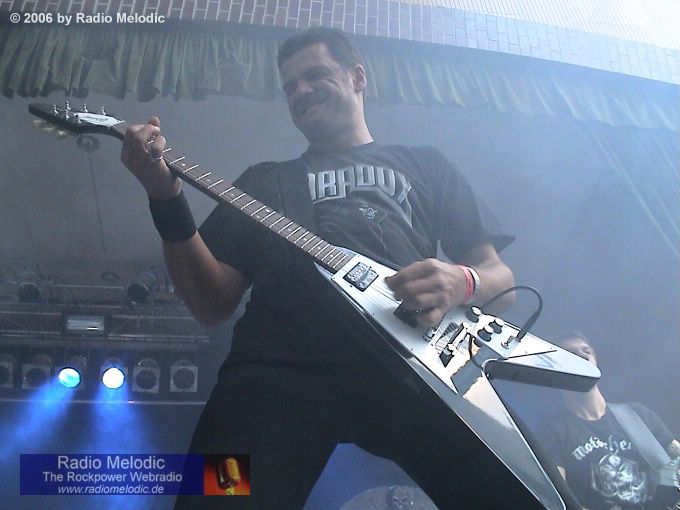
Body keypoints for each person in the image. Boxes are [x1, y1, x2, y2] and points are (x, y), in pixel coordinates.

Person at [121, 27, 521, 509]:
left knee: (514, 492)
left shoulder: (425, 164)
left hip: (414, 364)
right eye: (290, 86)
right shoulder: (265, 181)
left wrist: (462, 281)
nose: (301, 91)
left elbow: (500, 279)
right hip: (277, 369)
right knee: (215, 494)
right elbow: (211, 305)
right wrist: (165, 199)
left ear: (358, 77)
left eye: (315, 76)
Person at [538, 332, 680, 509]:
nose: (582, 355)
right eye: (571, 353)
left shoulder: (637, 415)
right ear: (555, 368)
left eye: (586, 351)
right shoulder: (552, 432)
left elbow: (676, 455)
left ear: (595, 360)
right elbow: (556, 500)